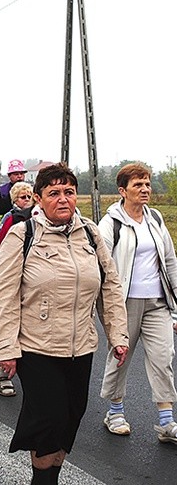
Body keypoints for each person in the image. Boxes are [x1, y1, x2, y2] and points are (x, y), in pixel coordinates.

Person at [0, 162, 129, 484]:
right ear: (38, 198)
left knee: (70, 417)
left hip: (81, 346)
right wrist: (5, 348)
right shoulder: (22, 235)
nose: (63, 198)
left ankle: (49, 474)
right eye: (54, 193)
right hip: (37, 347)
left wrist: (117, 334)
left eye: (69, 191)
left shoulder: (91, 234)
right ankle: (44, 481)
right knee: (49, 419)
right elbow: (3, 296)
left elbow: (109, 285)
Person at [98, 162, 177, 444]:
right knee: (121, 356)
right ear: (123, 190)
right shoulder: (110, 224)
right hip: (125, 303)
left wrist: (176, 305)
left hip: (157, 302)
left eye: (147, 184)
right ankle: (115, 412)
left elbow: (169, 260)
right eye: (138, 185)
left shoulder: (155, 218)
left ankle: (167, 422)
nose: (145, 189)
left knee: (163, 357)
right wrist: (107, 308)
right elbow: (102, 268)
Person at [0, 181, 34, 397]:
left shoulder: (40, 217)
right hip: (15, 277)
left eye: (29, 196)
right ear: (14, 200)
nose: (27, 200)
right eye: (22, 197)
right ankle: (3, 374)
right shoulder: (10, 219)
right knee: (11, 327)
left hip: (34, 281)